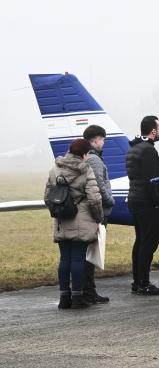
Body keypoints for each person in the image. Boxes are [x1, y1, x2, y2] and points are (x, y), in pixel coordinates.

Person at [44, 139, 103, 309]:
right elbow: (94, 199)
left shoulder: (55, 169)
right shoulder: (86, 171)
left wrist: (58, 211)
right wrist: (98, 218)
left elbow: (47, 197)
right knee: (77, 258)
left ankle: (64, 298)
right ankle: (77, 298)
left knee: (65, 259)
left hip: (62, 221)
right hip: (82, 220)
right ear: (84, 154)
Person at [126, 115, 159, 295]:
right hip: (147, 202)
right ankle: (144, 283)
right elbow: (153, 180)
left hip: (135, 199)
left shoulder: (134, 148)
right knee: (149, 243)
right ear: (153, 130)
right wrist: (158, 201)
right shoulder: (149, 150)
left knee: (140, 241)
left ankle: (137, 282)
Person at [81, 125, 115, 303]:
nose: (103, 143)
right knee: (92, 254)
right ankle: (89, 290)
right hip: (98, 212)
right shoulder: (94, 159)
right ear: (96, 139)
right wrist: (110, 200)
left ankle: (88, 290)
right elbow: (99, 185)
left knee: (90, 253)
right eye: (102, 139)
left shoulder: (89, 157)